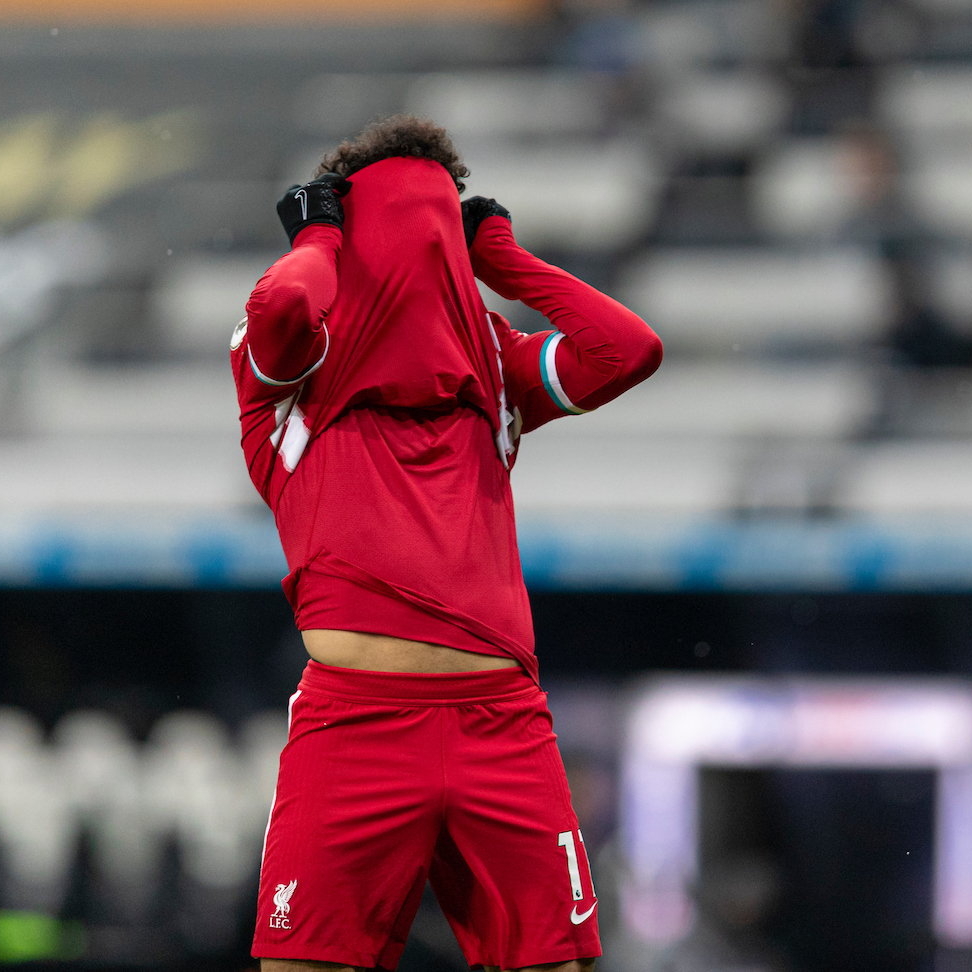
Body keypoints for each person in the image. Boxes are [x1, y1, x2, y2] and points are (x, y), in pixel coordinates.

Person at [231, 115, 662, 972]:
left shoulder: (492, 367)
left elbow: (628, 350)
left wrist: (502, 262)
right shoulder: (293, 373)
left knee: (558, 965)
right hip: (355, 722)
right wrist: (322, 235)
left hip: (501, 723)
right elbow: (283, 301)